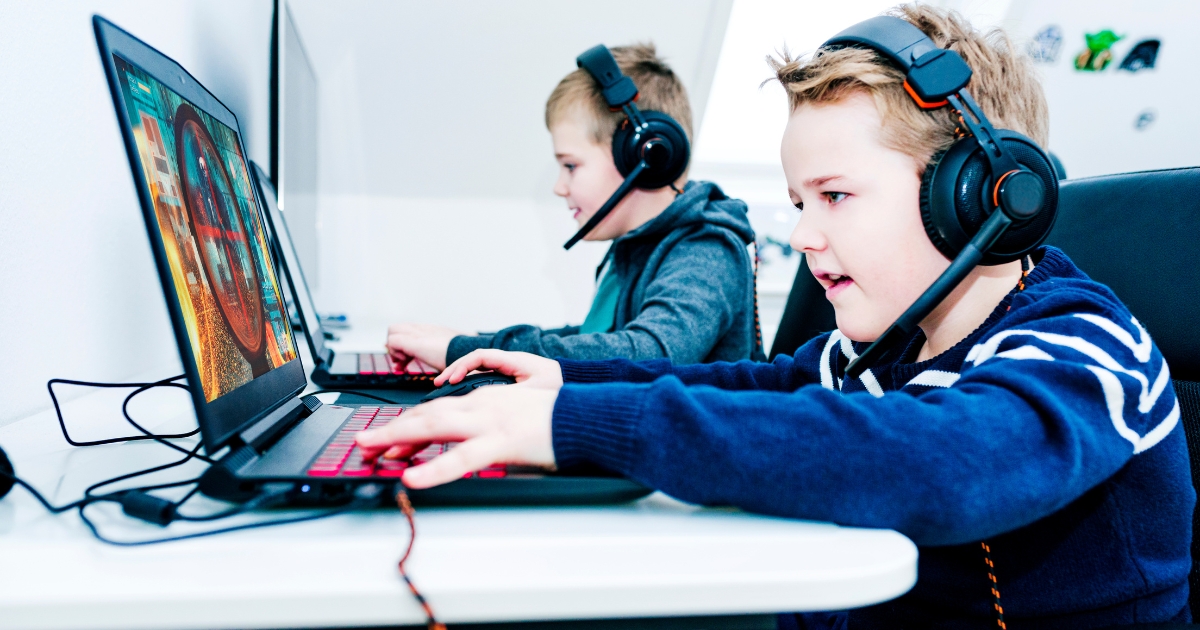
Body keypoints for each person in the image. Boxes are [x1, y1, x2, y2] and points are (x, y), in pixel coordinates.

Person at [358, 6, 1192, 627]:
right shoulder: (879, 350)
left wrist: (575, 424)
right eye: (799, 200)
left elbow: (945, 465)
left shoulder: (1084, 348)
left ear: (977, 196)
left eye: (834, 196)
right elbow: (750, 378)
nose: (801, 233)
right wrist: (562, 380)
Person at [385, 43, 761, 371]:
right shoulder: (634, 247)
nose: (559, 186)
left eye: (570, 166)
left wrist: (472, 351)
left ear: (645, 156)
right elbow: (593, 339)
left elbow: (647, 354)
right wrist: (471, 344)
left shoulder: (707, 249)